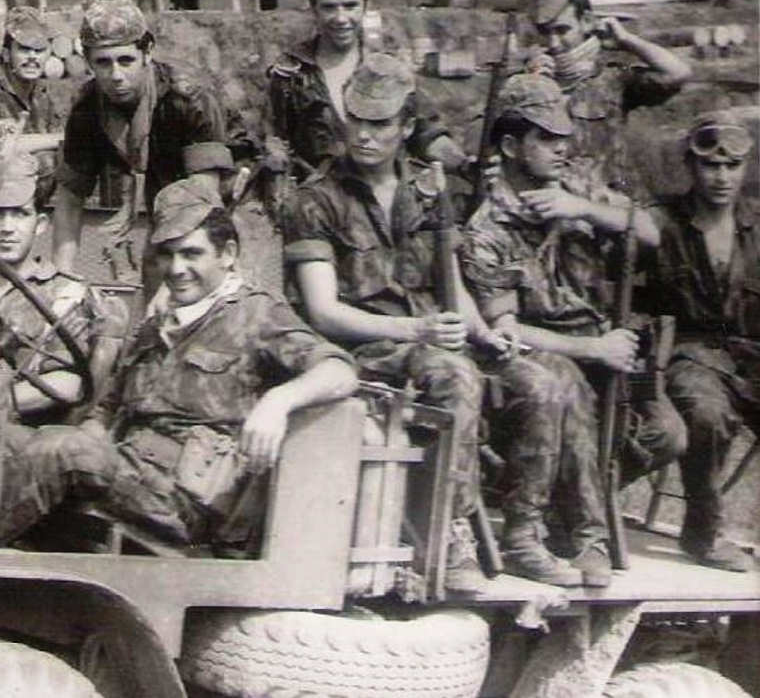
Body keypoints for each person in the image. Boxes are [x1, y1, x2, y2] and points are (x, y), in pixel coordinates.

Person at [2, 178, 358, 555]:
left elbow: (339, 369)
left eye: (192, 254)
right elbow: (106, 409)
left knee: (64, 451)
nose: (176, 269)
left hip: (188, 505)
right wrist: (89, 436)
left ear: (227, 254)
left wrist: (278, 402)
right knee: (4, 439)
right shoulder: (155, 327)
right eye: (167, 255)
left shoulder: (256, 313)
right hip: (127, 475)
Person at [281, 53, 509, 592]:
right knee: (455, 377)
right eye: (356, 120)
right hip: (357, 352)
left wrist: (488, 334)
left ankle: (534, 529)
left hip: (429, 345)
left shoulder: (427, 190)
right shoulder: (314, 199)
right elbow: (324, 312)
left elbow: (450, 280)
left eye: (380, 124)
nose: (363, 135)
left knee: (538, 379)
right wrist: (419, 331)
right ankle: (449, 536)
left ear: (406, 127)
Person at [460, 74, 688, 586]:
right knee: (566, 384)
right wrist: (591, 349)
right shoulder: (486, 230)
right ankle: (586, 533)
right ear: (511, 146)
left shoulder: (576, 187)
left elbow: (651, 233)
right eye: (546, 138)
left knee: (667, 433)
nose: (561, 148)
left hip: (603, 347)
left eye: (564, 136)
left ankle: (566, 503)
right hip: (532, 355)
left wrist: (583, 209)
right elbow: (505, 330)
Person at [645, 111, 758, 572]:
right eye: (711, 165)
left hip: (750, 355)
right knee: (707, 414)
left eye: (733, 166)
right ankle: (704, 533)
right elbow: (619, 225)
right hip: (688, 352)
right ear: (691, 165)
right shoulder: (663, 221)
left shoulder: (756, 225)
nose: (722, 177)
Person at [52, 0, 239, 273]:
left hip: (235, 188)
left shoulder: (188, 98)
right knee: (154, 270)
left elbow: (203, 196)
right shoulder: (88, 108)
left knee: (214, 278)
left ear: (147, 52)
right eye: (103, 63)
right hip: (168, 187)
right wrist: (61, 276)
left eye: (126, 60)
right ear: (88, 62)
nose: (116, 75)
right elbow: (69, 198)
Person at [0, 152, 124, 428]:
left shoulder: (65, 295)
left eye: (21, 214)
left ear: (40, 224)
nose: (7, 228)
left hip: (25, 432)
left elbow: (68, 383)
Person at [267, 0, 467, 180]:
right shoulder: (291, 75)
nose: (341, 18)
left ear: (364, 5)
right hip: (320, 195)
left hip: (385, 194)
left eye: (350, 6)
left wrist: (464, 164)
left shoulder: (388, 68)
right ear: (314, 9)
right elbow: (274, 142)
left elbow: (425, 133)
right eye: (329, 7)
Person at [522, 0, 691, 198]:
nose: (553, 43)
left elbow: (678, 73)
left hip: (606, 205)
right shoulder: (526, 80)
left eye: (562, 30)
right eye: (544, 32)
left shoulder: (611, 78)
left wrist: (626, 40)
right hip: (546, 204)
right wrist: (532, 88)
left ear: (586, 21)